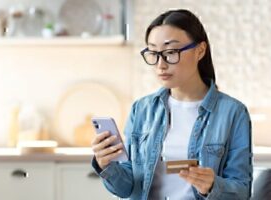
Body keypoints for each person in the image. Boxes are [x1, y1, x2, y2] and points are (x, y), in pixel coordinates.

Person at [91, 9, 252, 200]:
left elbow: (241, 191)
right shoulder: (141, 110)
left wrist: (211, 186)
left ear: (200, 50)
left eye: (170, 52)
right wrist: (106, 166)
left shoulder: (233, 113)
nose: (161, 64)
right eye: (153, 53)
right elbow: (127, 188)